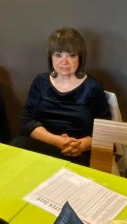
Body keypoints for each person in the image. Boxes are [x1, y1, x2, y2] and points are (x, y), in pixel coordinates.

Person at [11, 28, 111, 165]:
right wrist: (56, 141)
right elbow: (27, 122)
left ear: (80, 58)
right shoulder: (40, 82)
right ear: (51, 57)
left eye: (71, 55)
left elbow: (105, 133)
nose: (64, 62)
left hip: (77, 153)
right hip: (43, 147)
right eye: (58, 55)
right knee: (17, 145)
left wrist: (80, 145)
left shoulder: (93, 87)